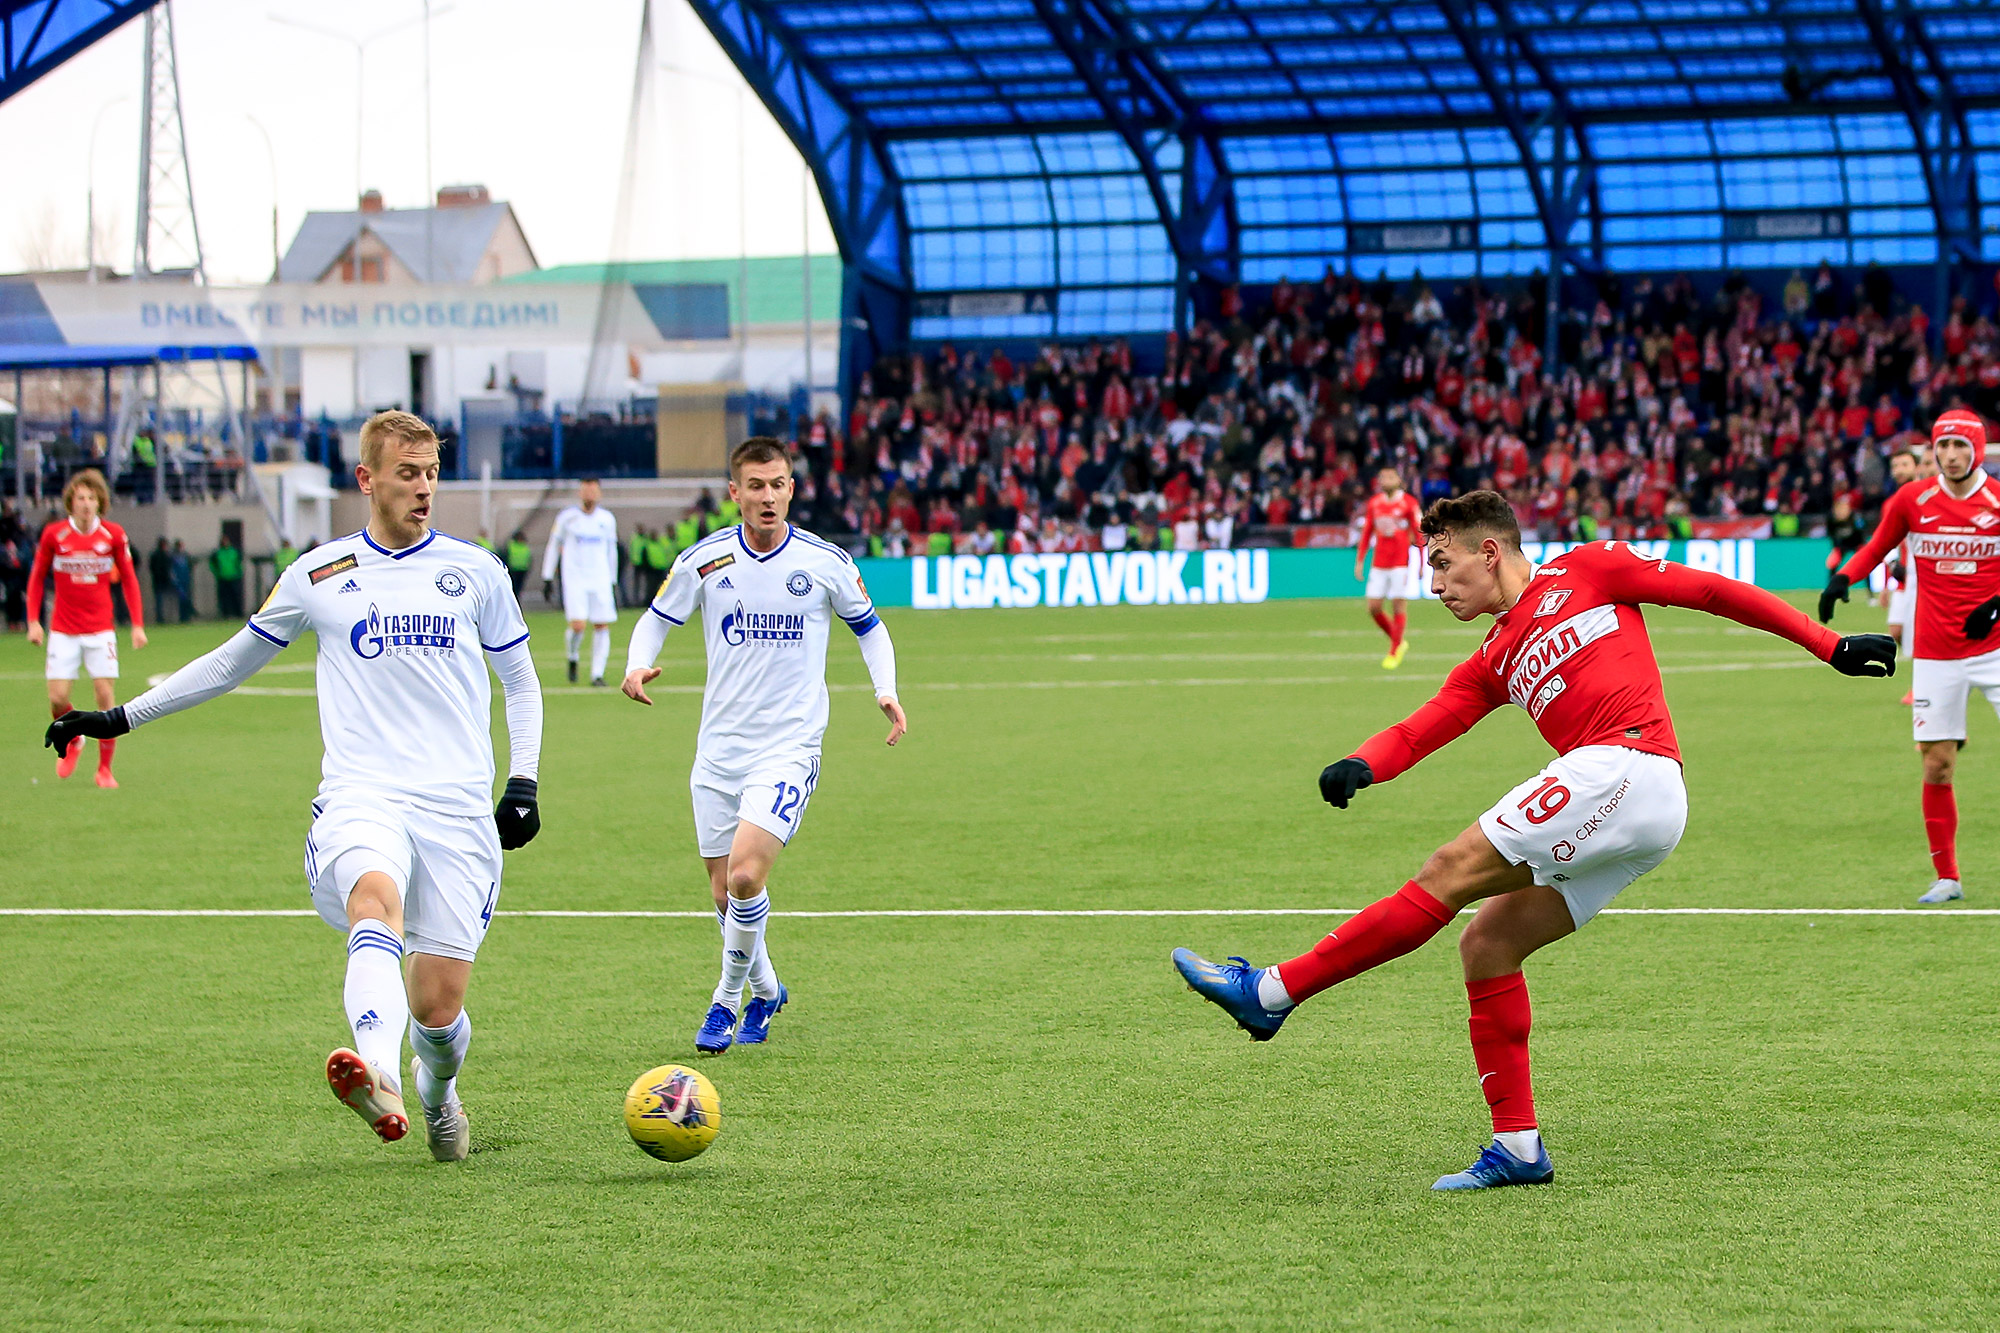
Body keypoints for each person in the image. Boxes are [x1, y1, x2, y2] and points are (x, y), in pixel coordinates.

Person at [1173, 491, 1895, 1191]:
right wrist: (1364, 762)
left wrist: (1827, 644)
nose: (1434, 583)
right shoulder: (1494, 654)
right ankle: (1518, 1146)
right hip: (1631, 804)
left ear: (1489, 552)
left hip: (1628, 763)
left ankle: (1271, 990)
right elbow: (1425, 726)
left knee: (1449, 868)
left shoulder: (1589, 567)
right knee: (1486, 944)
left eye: (1442, 563)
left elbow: (1710, 591)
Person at [44, 410, 544, 1163]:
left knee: (437, 1010)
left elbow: (520, 681)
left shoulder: (475, 570)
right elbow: (226, 663)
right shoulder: (317, 574)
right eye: (407, 474)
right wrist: (119, 716)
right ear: (366, 479)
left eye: (432, 472)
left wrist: (525, 780)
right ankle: (376, 1069)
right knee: (373, 898)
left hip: (456, 810)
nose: (424, 488)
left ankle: (437, 1091)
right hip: (362, 794)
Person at [622, 437, 906, 1055]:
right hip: (719, 750)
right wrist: (637, 663)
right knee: (726, 895)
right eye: (755, 485)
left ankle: (726, 1003)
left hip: (789, 745)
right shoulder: (706, 559)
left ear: (792, 489)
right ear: (735, 493)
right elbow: (655, 618)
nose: (768, 496)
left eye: (778, 484)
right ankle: (769, 990)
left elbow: (871, 629)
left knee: (748, 875)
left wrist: (885, 689)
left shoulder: (824, 562)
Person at [1821, 409, 2000, 903]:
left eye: (1961, 446)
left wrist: (1996, 605)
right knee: (1937, 764)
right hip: (1938, 654)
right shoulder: (1913, 499)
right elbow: (1878, 546)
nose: (1951, 455)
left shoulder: (1997, 501)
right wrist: (1843, 579)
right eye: (1943, 447)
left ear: (1978, 449)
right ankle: (1947, 877)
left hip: (1996, 649)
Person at [26, 468, 146, 787]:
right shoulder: (54, 535)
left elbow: (130, 580)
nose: (86, 503)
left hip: (99, 629)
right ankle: (75, 736)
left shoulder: (113, 536)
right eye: (80, 497)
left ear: (100, 502)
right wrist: (34, 622)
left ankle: (104, 769)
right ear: (71, 502)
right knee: (57, 698)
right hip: (63, 629)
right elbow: (37, 577)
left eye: (92, 497)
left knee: (106, 696)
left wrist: (137, 624)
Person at [541, 477, 619, 685]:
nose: (590, 495)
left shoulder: (607, 520)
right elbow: (552, 545)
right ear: (580, 493)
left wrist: (613, 579)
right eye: (586, 490)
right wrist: (547, 576)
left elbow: (612, 551)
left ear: (599, 494)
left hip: (600, 578)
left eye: (594, 491)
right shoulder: (567, 518)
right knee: (578, 626)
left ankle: (597, 674)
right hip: (575, 578)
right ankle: (573, 656)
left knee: (601, 625)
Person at [1356, 467, 1425, 668]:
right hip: (1379, 562)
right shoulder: (1374, 503)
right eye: (1382, 477)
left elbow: (1418, 534)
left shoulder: (1409, 504)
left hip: (1400, 562)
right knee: (1374, 607)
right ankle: (1399, 641)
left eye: (1390, 477)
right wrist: (1360, 560)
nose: (1385, 480)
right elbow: (1368, 532)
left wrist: (1422, 562)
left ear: (1399, 480)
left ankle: (1394, 649)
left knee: (1397, 604)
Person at [210, 533, 244, 620]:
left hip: (233, 577)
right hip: (222, 578)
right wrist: (217, 573)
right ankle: (225, 614)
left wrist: (239, 573)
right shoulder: (218, 553)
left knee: (235, 596)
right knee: (224, 598)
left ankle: (238, 614)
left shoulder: (234, 552)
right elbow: (212, 564)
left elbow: (238, 563)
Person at [148, 536, 176, 625]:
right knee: (162, 600)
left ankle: (162, 617)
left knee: (160, 601)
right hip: (163, 581)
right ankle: (163, 618)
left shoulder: (156, 555)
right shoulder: (164, 555)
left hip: (159, 580)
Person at [169, 540, 193, 623]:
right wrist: (174, 580)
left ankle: (187, 616)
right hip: (179, 582)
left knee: (187, 599)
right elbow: (172, 570)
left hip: (186, 580)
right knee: (181, 599)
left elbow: (189, 567)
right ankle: (182, 617)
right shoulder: (174, 557)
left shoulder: (185, 556)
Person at [505, 529, 532, 599]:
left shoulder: (522, 546)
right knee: (514, 587)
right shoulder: (512, 545)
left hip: (522, 569)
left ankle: (516, 599)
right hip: (514, 569)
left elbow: (529, 558)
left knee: (518, 587)